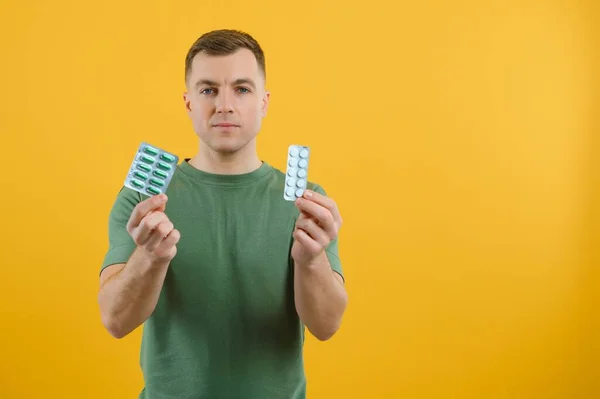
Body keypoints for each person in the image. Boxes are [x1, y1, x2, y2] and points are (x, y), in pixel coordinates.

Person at [97, 29, 348, 399]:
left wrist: (310, 260)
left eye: (242, 89)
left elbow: (327, 325)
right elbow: (115, 320)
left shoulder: (307, 204)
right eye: (208, 90)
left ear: (264, 102)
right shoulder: (143, 200)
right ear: (188, 103)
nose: (224, 105)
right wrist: (149, 256)